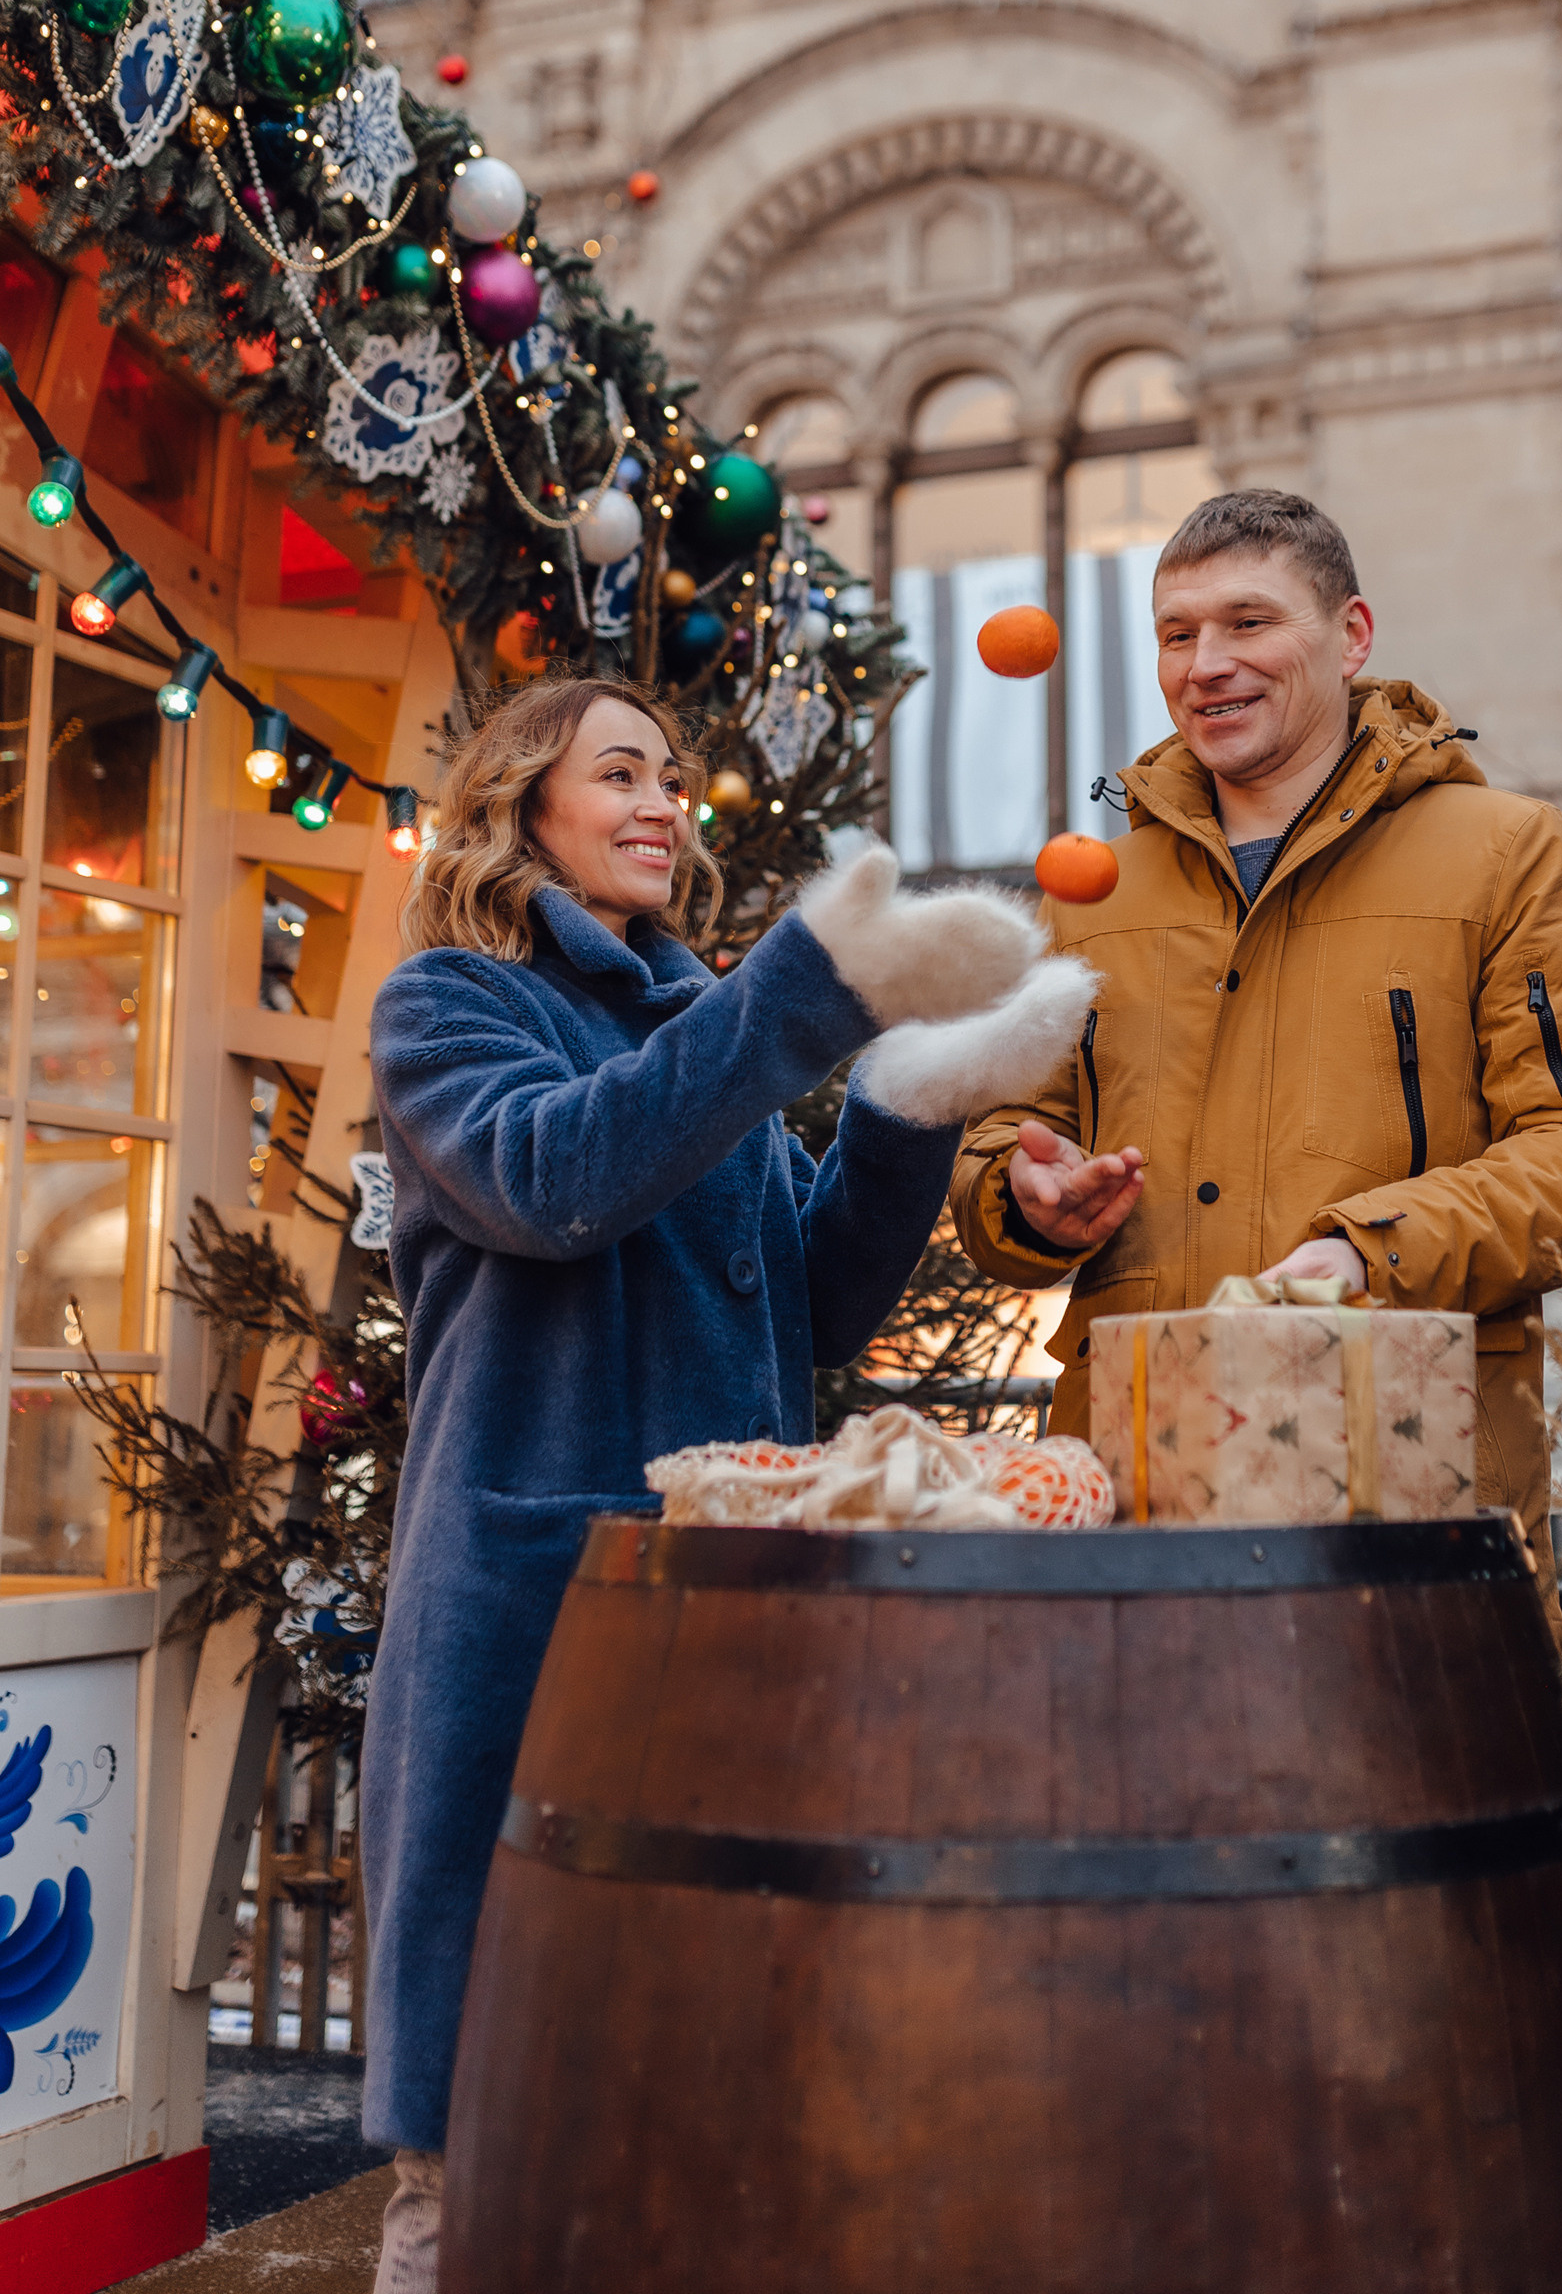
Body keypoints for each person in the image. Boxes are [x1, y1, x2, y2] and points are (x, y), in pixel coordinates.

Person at [359, 677, 1093, 2294]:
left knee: (692, 2109)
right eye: (618, 773)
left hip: (717, 1621)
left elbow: (813, 1301)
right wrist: (797, 996)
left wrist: (904, 1108)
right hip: (534, 1609)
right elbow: (553, 1180)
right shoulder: (449, 1003)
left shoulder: (697, 1014)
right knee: (486, 2146)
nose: (661, 803)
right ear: (521, 805)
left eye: (671, 777)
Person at [951, 488, 1562, 1607]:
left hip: (1403, 1484)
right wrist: (1020, 1195)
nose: (1206, 665)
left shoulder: (1502, 853)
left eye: (1249, 623)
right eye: (1177, 634)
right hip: (1130, 1493)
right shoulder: (1093, 889)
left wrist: (1369, 1253)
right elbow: (1005, 1135)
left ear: (1350, 636)